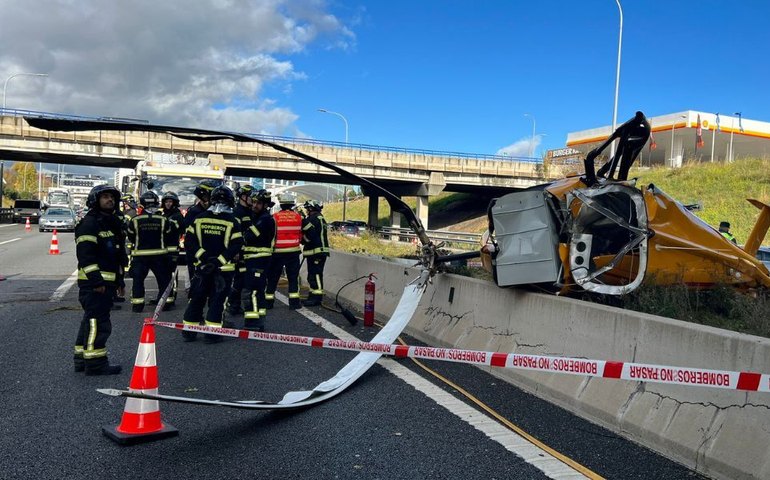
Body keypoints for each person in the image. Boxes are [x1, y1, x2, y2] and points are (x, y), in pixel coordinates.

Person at [73, 184, 127, 375]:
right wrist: (97, 282)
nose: (109, 200)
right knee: (98, 323)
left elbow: (117, 255)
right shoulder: (90, 223)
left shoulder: (110, 223)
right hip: (95, 285)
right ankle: (95, 363)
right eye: (105, 197)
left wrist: (119, 281)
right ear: (95, 200)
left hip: (106, 283)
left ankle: (81, 359)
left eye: (112, 197)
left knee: (89, 320)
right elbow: (86, 256)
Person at [182, 186, 243, 343]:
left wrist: (204, 258)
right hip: (223, 270)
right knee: (217, 302)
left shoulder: (199, 218)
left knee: (197, 299)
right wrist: (218, 261)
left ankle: (189, 331)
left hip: (202, 268)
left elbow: (189, 241)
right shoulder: (232, 221)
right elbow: (236, 245)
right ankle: (212, 334)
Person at [126, 191, 173, 313]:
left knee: (138, 281)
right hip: (160, 255)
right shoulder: (163, 220)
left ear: (142, 204)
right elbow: (168, 235)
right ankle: (165, 304)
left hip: (140, 256)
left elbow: (131, 236)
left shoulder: (135, 220)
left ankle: (138, 305)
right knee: (164, 280)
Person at [242, 189, 276, 330]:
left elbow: (250, 236)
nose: (255, 205)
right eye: (254, 202)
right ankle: (259, 319)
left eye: (258, 203)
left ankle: (253, 322)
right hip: (254, 259)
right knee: (257, 291)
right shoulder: (257, 217)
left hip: (259, 260)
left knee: (253, 291)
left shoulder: (265, 219)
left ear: (266, 205)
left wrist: (245, 228)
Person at [265, 196, 303, 309]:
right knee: (293, 277)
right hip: (293, 251)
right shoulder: (298, 217)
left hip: (277, 252)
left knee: (273, 277)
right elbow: (300, 234)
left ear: (281, 205)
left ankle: (269, 302)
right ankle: (294, 303)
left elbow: (271, 234)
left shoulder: (275, 217)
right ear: (291, 205)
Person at [183, 179, 220, 289]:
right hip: (195, 253)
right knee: (196, 281)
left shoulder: (214, 212)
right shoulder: (193, 212)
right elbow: (189, 236)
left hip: (211, 250)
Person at [227, 184, 255, 316]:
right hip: (240, 253)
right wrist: (237, 251)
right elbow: (235, 233)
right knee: (238, 280)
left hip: (249, 252)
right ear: (243, 197)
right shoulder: (237, 212)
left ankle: (235, 305)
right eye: (251, 197)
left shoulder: (249, 212)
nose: (253, 200)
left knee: (243, 280)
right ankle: (233, 305)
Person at [301, 200, 330, 307]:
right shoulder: (320, 217)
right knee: (313, 275)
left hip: (316, 252)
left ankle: (316, 298)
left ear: (311, 209)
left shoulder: (312, 219)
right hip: (319, 252)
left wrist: (303, 240)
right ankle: (312, 296)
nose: (307, 211)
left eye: (307, 209)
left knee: (315, 275)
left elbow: (309, 236)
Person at [161, 191, 185, 309]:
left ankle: (171, 298)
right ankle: (163, 297)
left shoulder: (177, 215)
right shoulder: (164, 214)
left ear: (174, 203)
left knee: (171, 275)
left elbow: (175, 229)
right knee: (163, 275)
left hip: (172, 249)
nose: (168, 204)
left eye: (170, 201)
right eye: (166, 201)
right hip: (162, 249)